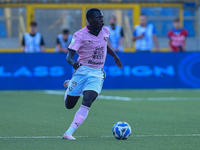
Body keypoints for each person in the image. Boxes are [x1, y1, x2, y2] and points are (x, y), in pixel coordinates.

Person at [62, 8, 123, 140]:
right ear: (90, 20)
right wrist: (73, 63)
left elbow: (103, 45)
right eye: (98, 18)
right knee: (69, 105)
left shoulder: (105, 30)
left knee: (88, 100)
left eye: (102, 17)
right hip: (82, 71)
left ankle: (69, 132)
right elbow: (69, 56)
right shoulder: (79, 35)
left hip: (97, 73)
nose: (102, 20)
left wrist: (115, 56)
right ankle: (69, 85)